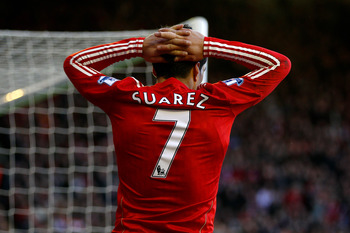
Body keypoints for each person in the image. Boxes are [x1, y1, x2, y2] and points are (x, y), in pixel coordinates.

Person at [63, 24, 291, 232]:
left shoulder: (127, 96)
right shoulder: (217, 100)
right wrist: (210, 46)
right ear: (196, 71)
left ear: (154, 71)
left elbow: (73, 64)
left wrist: (137, 47)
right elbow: (279, 64)